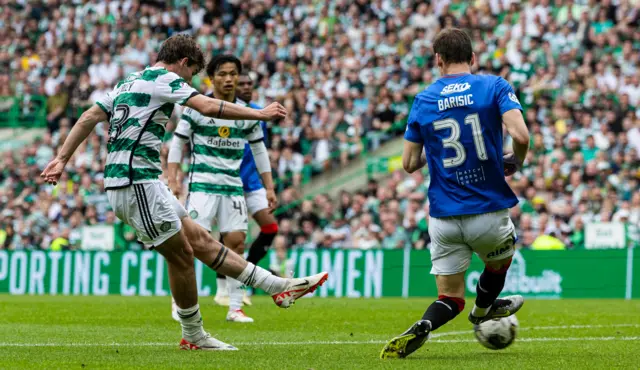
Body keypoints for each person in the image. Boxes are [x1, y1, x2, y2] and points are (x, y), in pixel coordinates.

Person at [41, 35, 328, 351]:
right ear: (183, 63)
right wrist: (258, 114)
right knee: (182, 257)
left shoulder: (128, 82)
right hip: (135, 184)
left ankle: (278, 287)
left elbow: (89, 117)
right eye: (192, 74)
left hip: (144, 182)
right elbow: (205, 105)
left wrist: (61, 158)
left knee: (201, 241)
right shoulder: (164, 79)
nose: (191, 82)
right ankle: (193, 336)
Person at [379, 28, 530, 359]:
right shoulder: (494, 86)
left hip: (444, 217)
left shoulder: (424, 99)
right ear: (473, 58)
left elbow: (408, 164)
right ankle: (483, 311)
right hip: (488, 210)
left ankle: (426, 324)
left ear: (438, 60)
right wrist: (515, 162)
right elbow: (520, 134)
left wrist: (434, 151)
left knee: (450, 297)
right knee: (499, 263)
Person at [167, 55, 273, 323]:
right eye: (223, 74)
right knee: (190, 245)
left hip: (233, 188)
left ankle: (235, 307)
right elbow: (177, 143)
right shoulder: (197, 107)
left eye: (233, 74)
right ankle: (180, 304)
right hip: (202, 187)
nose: (229, 79)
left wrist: (268, 187)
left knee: (236, 245)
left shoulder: (247, 113)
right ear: (211, 78)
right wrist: (173, 178)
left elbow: (260, 151)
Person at [212, 70, 280, 307]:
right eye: (242, 83)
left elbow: (260, 150)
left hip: (253, 183)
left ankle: (246, 275)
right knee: (228, 234)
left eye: (250, 83)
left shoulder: (259, 113)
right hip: (229, 181)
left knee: (270, 227)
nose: (247, 87)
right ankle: (222, 288)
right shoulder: (223, 111)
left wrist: (268, 184)